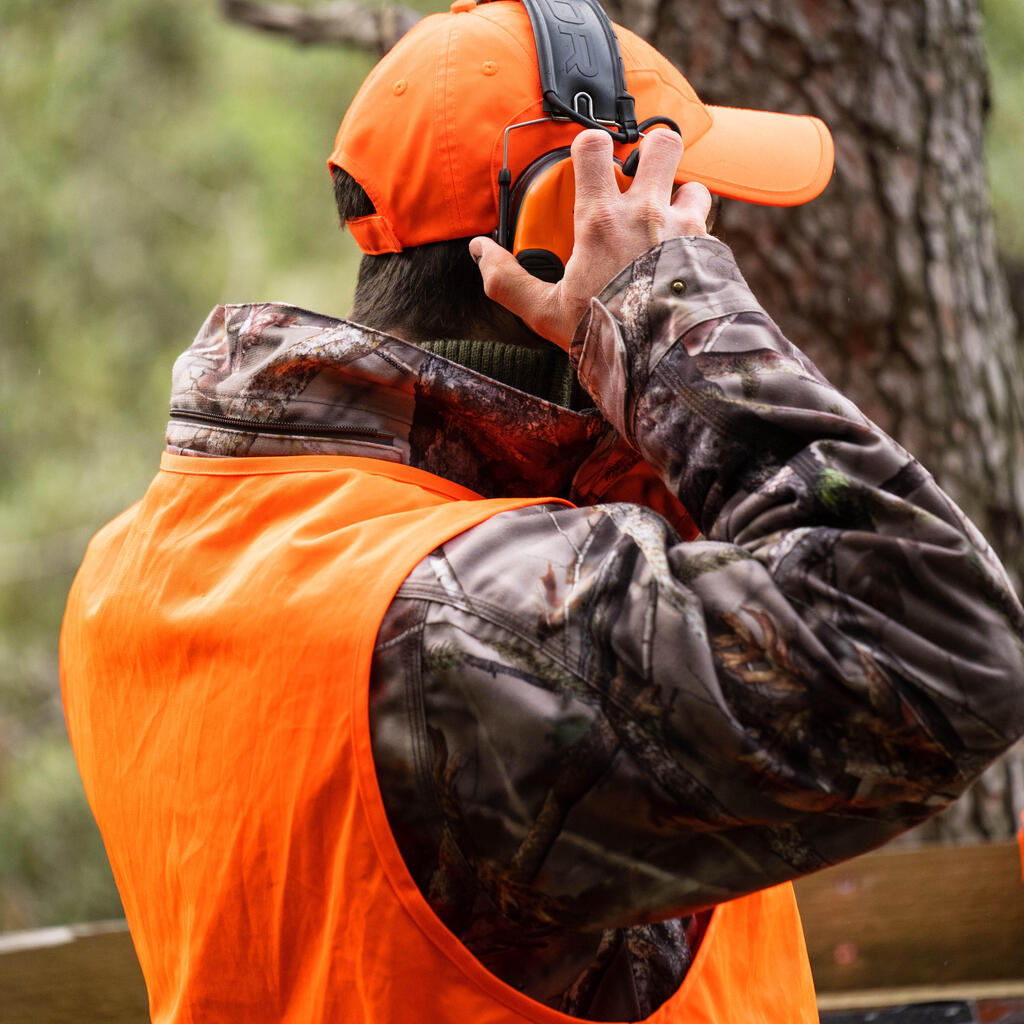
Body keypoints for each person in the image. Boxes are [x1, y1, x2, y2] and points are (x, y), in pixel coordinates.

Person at [60, 1, 1024, 1022]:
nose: (704, 243)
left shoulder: (144, 561)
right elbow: (945, 644)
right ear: (565, 228)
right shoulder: (469, 612)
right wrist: (662, 309)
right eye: (674, 212)